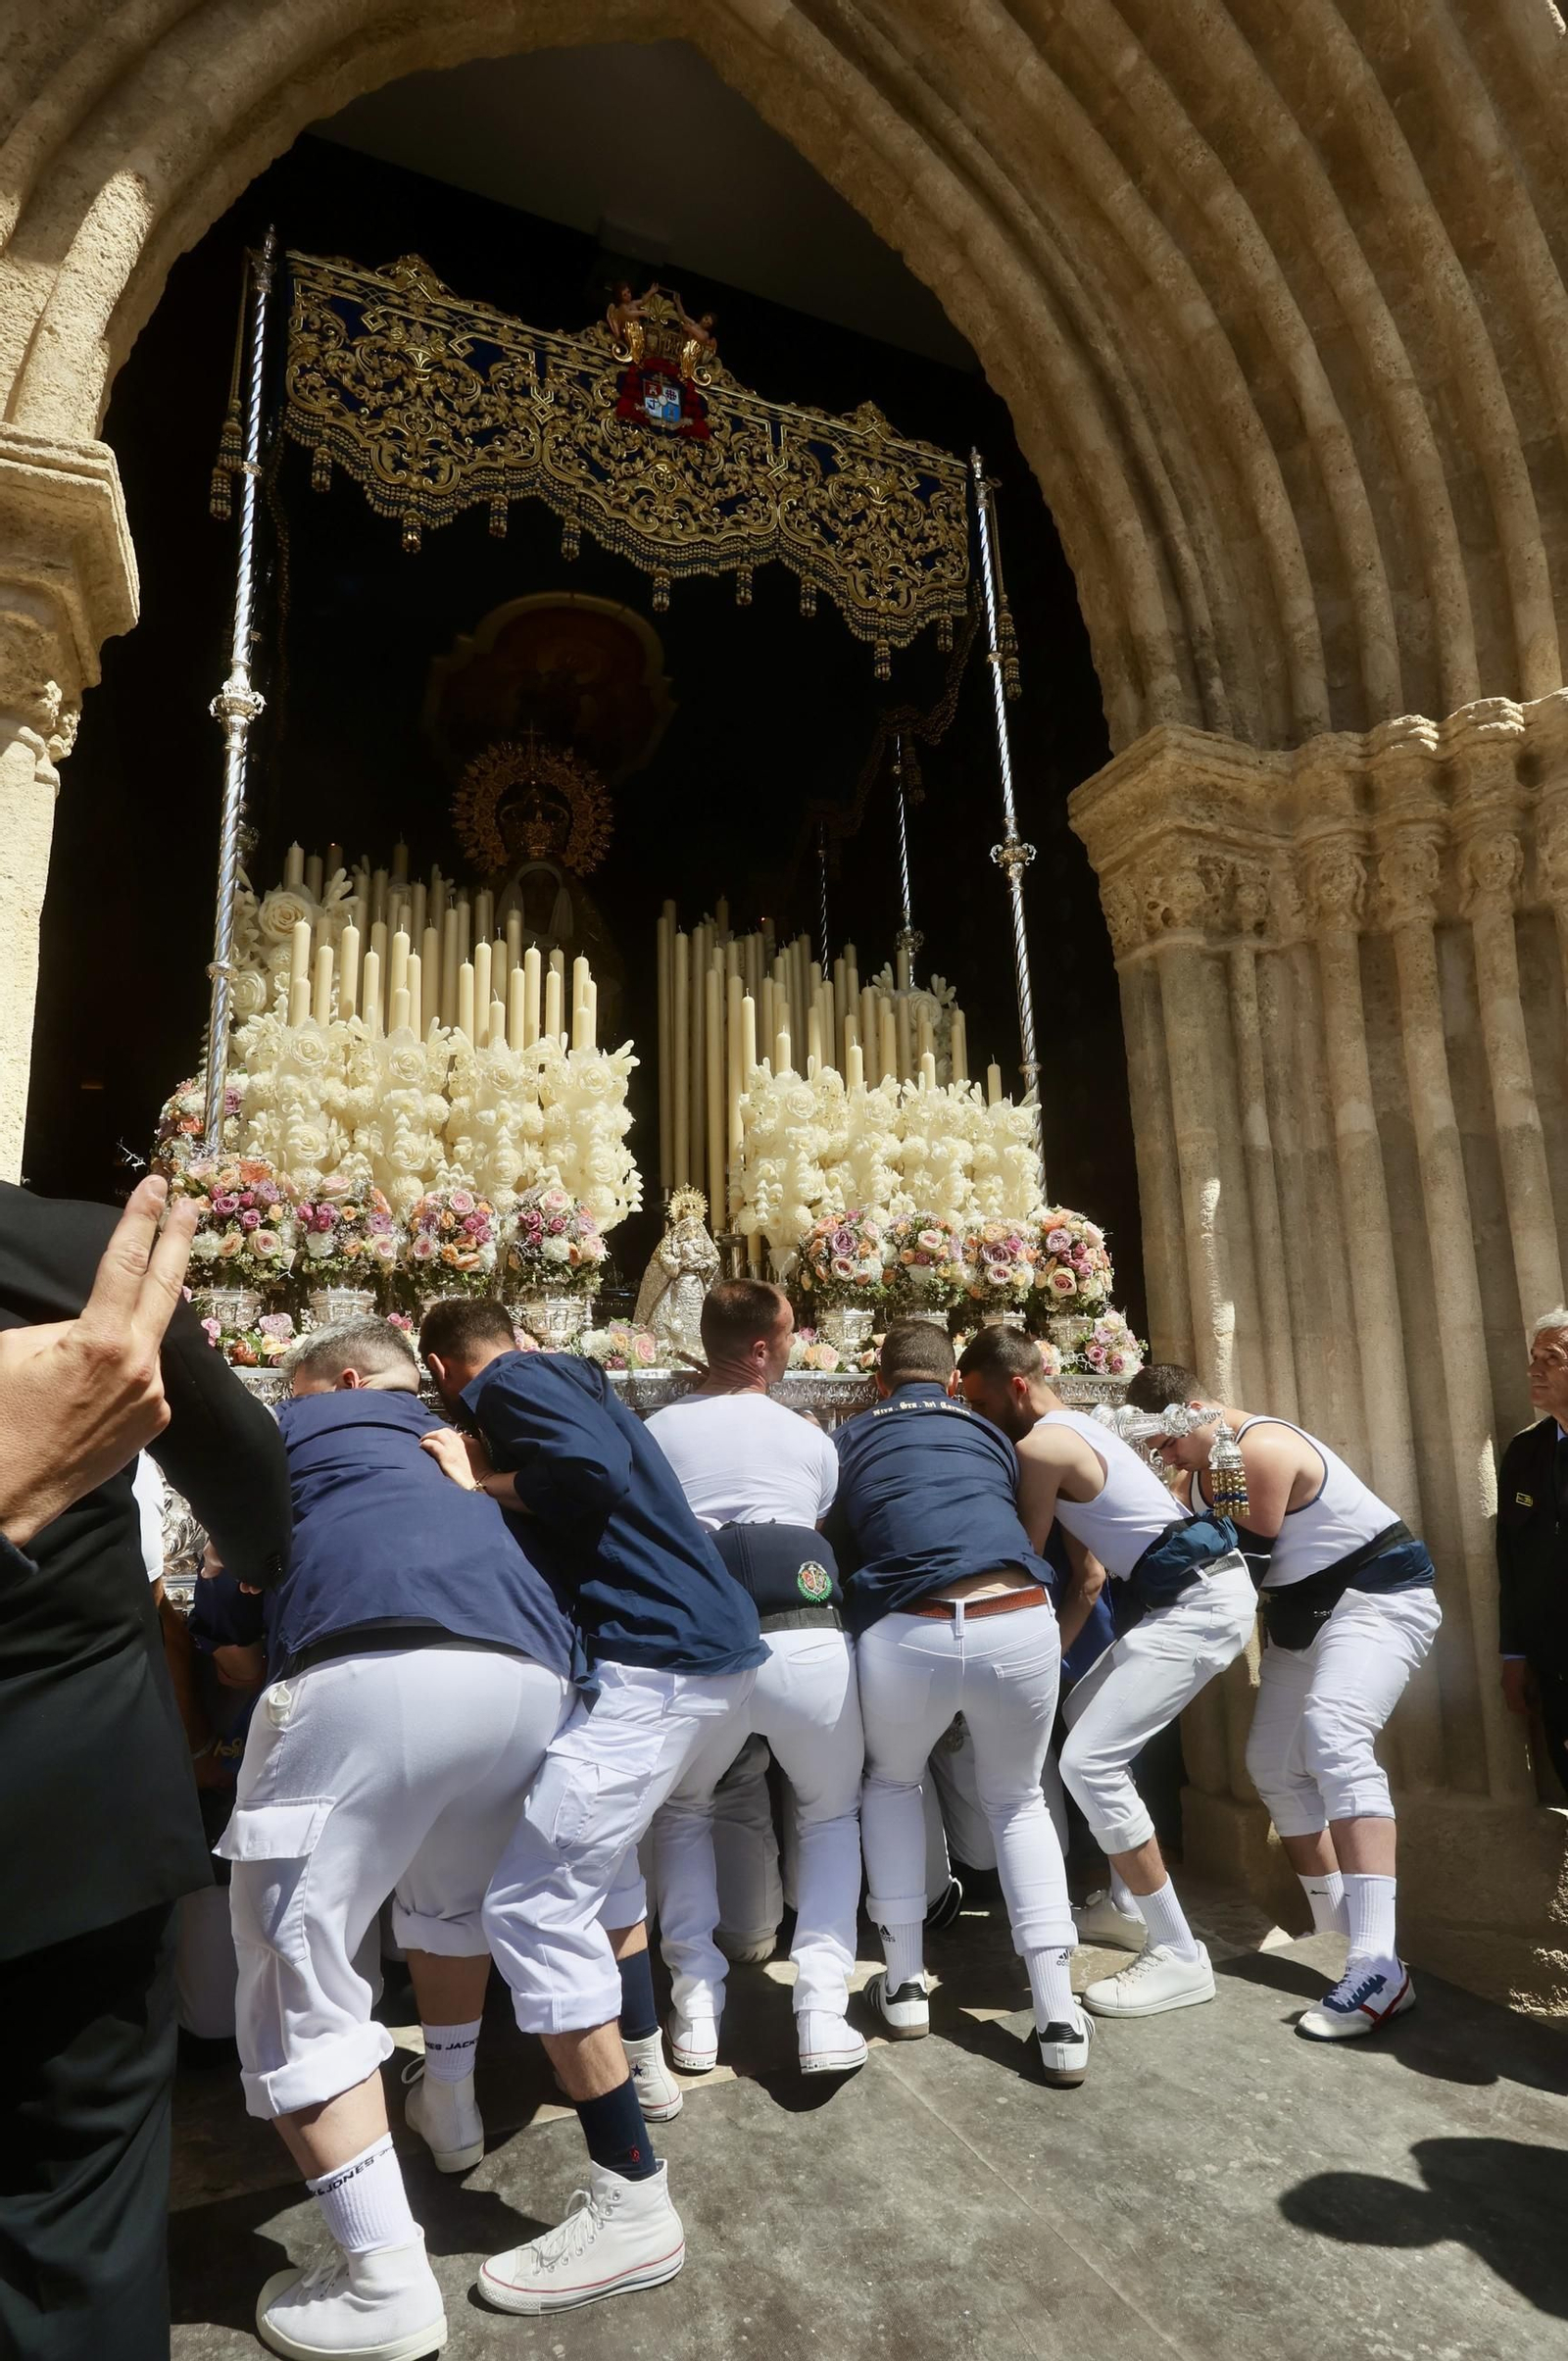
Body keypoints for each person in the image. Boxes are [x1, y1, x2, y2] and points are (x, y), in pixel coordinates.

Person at [220, 1318, 580, 2361]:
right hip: (523, 1679)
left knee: (294, 1964)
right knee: (451, 1901)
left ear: (333, 1380)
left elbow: (228, 1601)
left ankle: (383, 2282)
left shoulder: (298, 1428)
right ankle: (453, 2111)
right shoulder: (459, 1441)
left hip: (369, 1669)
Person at [419, 1299, 766, 2317]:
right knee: (602, 1868)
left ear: (446, 1367)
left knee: (531, 1908)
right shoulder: (571, 1373)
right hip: (699, 1658)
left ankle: (631, 2201)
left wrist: (474, 1478)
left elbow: (582, 1477)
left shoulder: (511, 1384)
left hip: (654, 1661)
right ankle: (648, 2069)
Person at [0, 1174, 291, 2361]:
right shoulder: (84, 1253)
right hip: (67, 1817)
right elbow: (255, 1493)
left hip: (77, 1826)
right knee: (80, 2209)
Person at [1125, 1360, 1442, 2041]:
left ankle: (1378, 1962)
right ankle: (1336, 1938)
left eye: (1168, 1439)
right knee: (1271, 1762)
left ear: (1199, 1408)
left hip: (1377, 1598)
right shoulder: (1198, 1469)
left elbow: (1241, 1563)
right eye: (1154, 1445)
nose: (1164, 1455)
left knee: (1334, 1734)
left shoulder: (1261, 1448)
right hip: (1304, 1616)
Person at [956, 1326, 1254, 2022]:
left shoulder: (1039, 1447)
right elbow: (1087, 1577)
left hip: (1201, 1603)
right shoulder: (1078, 1430)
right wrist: (1050, 1667)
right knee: (1083, 1720)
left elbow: (1025, 1564)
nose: (977, 1415)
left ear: (1017, 1386)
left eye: (979, 1401)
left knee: (1089, 1763)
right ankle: (1126, 1908)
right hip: (1193, 1596)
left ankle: (1181, 1953)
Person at [827, 1321, 1087, 2087]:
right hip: (1017, 1612)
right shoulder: (985, 1432)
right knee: (1017, 1800)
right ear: (948, 1383)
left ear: (878, 1383)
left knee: (891, 1782)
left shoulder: (852, 1436)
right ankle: (1058, 2014)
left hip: (913, 1626)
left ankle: (904, 1985)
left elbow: (843, 1540)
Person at [644, 1277, 867, 2077]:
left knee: (682, 1809)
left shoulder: (657, 1430)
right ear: (765, 1349)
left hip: (702, 1643)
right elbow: (813, 1519)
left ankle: (695, 2006)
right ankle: (819, 2009)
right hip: (803, 1637)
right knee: (831, 1813)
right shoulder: (808, 1438)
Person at [1496, 1309, 1568, 1795]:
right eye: (1534, 1357)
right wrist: (1514, 1654)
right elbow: (1512, 1559)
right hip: (1553, 1658)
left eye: (1553, 1358)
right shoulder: (1525, 1451)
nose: (1534, 1370)